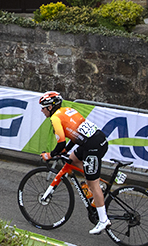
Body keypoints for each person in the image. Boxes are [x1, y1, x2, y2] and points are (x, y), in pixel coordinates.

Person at [38, 91, 111, 235]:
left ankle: (103, 220)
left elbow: (60, 143)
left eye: (43, 107)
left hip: (93, 147)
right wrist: (66, 150)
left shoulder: (55, 119)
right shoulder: (68, 110)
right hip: (95, 140)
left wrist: (49, 155)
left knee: (92, 183)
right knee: (72, 159)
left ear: (50, 107)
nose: (41, 110)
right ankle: (95, 181)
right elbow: (74, 136)